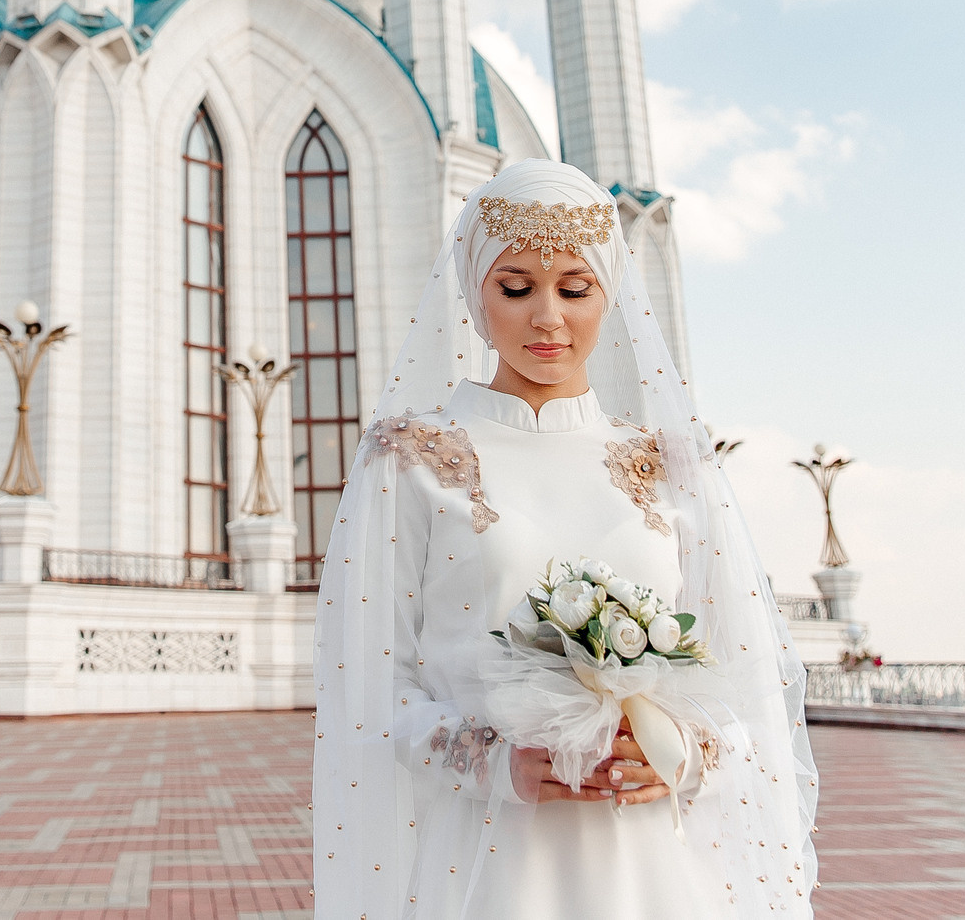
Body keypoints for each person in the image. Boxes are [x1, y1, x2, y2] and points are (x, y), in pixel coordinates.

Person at [314, 160, 817, 919]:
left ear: (609, 293)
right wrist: (495, 763)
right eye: (516, 286)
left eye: (575, 288)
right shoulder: (411, 458)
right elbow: (370, 690)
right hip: (490, 860)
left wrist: (682, 753)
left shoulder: (670, 464)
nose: (547, 317)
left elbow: (748, 692)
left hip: (657, 867)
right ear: (476, 292)